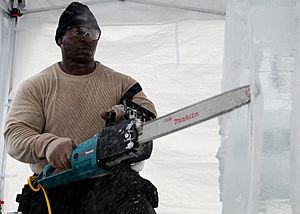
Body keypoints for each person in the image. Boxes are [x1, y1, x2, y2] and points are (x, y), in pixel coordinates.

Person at [4, 2, 158, 214]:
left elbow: (150, 116)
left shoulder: (122, 84)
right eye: (79, 31)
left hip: (113, 186)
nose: (87, 38)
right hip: (57, 187)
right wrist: (48, 145)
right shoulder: (37, 86)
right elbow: (15, 135)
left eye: (93, 33)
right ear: (60, 38)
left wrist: (128, 112)